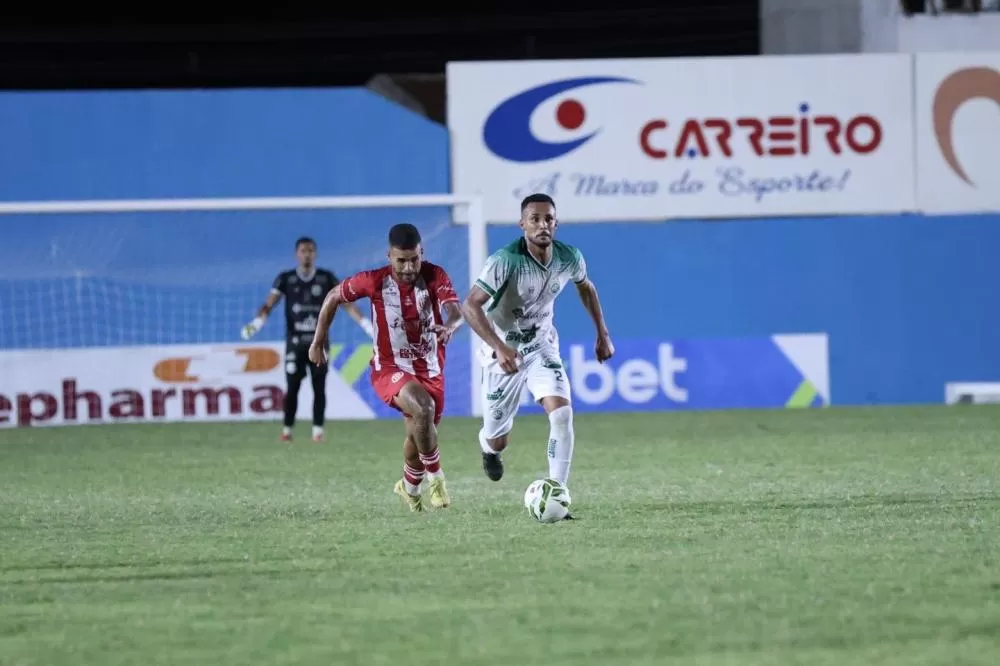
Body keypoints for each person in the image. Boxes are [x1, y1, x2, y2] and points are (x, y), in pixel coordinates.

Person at [461, 193, 614, 518]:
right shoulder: (505, 261)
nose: (542, 225)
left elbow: (586, 287)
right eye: (535, 219)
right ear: (523, 224)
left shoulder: (568, 257)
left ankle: (558, 493)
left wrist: (602, 333)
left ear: (556, 223)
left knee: (562, 414)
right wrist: (499, 346)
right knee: (497, 438)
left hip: (542, 346)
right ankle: (488, 447)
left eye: (548, 219)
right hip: (503, 354)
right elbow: (470, 305)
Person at [308, 223, 463, 512]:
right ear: (389, 256)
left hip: (430, 369)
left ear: (422, 253)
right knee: (424, 408)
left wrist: (450, 326)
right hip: (389, 367)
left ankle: (408, 487)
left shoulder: (435, 275)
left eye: (414, 259)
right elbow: (333, 296)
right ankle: (437, 480)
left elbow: (455, 309)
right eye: (401, 260)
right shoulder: (373, 281)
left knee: (418, 434)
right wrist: (318, 342)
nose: (408, 267)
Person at [241, 236, 372, 443]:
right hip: (295, 343)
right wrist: (257, 323)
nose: (307, 254)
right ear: (297, 254)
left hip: (319, 343)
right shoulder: (285, 279)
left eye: (310, 251)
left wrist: (367, 326)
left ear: (315, 254)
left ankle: (317, 431)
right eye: (303, 251)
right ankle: (287, 430)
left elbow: (346, 303)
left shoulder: (326, 278)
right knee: (292, 388)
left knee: (319, 388)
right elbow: (269, 304)